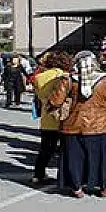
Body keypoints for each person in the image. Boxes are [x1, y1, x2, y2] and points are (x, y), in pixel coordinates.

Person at [49, 51, 106, 198]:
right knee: (103, 158)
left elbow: (56, 101)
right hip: (102, 125)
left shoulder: (68, 80)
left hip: (73, 125)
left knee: (74, 158)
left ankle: (76, 187)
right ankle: (104, 187)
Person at [32, 51, 71, 184]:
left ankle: (38, 174)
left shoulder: (39, 77)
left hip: (47, 115)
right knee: (65, 149)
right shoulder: (65, 76)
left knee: (46, 148)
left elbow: (38, 95)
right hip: (64, 116)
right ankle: (64, 175)